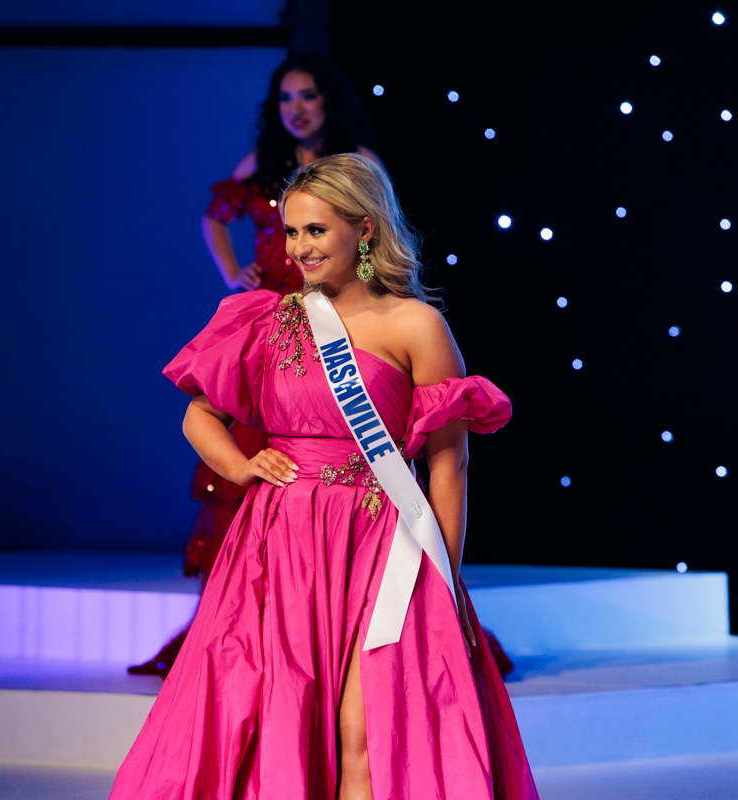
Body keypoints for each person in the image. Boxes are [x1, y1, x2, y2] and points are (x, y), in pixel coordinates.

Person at [109, 153, 537, 799]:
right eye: (291, 231)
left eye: (315, 230)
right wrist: (240, 465)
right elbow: (198, 416)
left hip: (384, 543)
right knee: (281, 718)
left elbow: (450, 464)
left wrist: (445, 578)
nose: (298, 247)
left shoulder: (416, 325)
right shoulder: (269, 320)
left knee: (366, 728)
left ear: (364, 230)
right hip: (282, 545)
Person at [128, 55, 380, 676]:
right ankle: (237, 637)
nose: (297, 109)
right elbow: (213, 217)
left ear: (329, 101)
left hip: (343, 320)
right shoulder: (261, 164)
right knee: (243, 463)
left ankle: (334, 630)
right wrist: (232, 273)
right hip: (276, 324)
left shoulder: (357, 164)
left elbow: (384, 232)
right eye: (286, 98)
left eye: (308, 96)